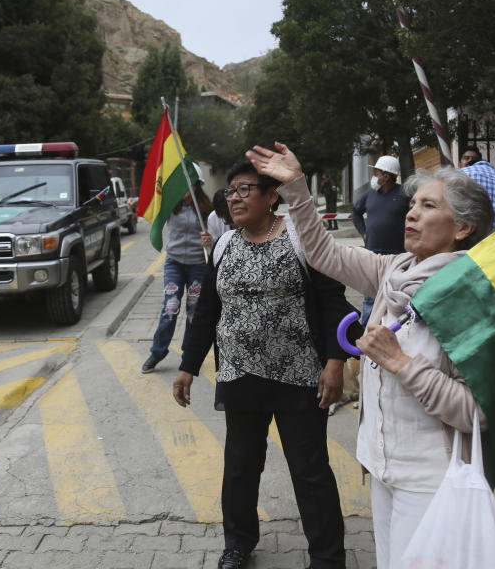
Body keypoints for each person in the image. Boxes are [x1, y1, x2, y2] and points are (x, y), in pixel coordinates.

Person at [248, 141, 494, 567]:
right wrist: (297, 191)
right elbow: (323, 253)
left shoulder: (472, 297)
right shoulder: (392, 271)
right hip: (381, 469)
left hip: (432, 480)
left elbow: (477, 412)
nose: (411, 213)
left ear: (464, 228)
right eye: (412, 203)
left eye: (428, 206)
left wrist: (399, 362)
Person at [173, 159, 356, 569]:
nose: (234, 198)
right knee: (240, 466)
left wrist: (335, 361)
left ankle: (327, 557)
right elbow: (206, 312)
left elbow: (333, 302)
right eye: (231, 191)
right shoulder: (222, 245)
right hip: (240, 374)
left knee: (310, 470)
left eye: (244, 190)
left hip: (300, 376)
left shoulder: (301, 239)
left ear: (272, 196)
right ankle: (238, 544)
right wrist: (187, 365)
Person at [141, 173, 214, 373]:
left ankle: (188, 353)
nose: (185, 190)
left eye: (189, 184)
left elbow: (219, 234)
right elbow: (151, 202)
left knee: (193, 311)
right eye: (181, 185)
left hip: (198, 265)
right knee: (170, 307)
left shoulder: (207, 210)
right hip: (174, 263)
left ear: (197, 185)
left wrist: (210, 239)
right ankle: (157, 353)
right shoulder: (170, 205)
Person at [352, 155, 409, 325]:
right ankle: (367, 332)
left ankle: (393, 331)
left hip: (398, 256)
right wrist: (363, 232)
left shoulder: (404, 195)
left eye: (377, 173)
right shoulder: (369, 195)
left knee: (396, 297)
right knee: (370, 298)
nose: (374, 176)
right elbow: (355, 213)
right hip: (373, 254)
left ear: (387, 175)